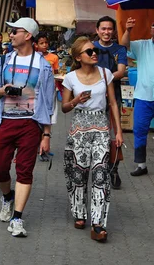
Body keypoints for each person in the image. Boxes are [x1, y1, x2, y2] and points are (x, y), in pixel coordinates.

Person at [0, 17, 54, 238]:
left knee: (24, 170)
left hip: (30, 123)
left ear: (27, 35)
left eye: (15, 31)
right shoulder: (5, 60)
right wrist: (3, 90)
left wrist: (46, 134)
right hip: (5, 120)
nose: (11, 34)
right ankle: (7, 196)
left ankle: (17, 217)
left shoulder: (43, 65)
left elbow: (48, 103)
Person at [61, 36, 123, 242]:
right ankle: (79, 213)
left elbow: (113, 103)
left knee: (100, 174)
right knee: (77, 174)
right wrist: (76, 100)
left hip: (101, 130)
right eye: (89, 51)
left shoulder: (106, 74)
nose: (94, 53)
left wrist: (119, 132)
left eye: (94, 50)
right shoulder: (70, 77)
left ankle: (98, 223)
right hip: (78, 129)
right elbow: (64, 107)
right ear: (79, 57)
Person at [93, 16, 127, 187]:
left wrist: (99, 80)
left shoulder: (119, 49)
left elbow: (121, 71)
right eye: (103, 29)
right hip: (94, 100)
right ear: (97, 30)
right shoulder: (90, 47)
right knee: (98, 134)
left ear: (113, 31)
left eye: (109, 29)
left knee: (115, 136)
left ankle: (114, 169)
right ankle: (100, 167)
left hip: (115, 98)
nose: (106, 32)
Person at [120, 17, 154, 176]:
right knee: (140, 129)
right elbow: (124, 44)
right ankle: (141, 165)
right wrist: (128, 30)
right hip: (144, 97)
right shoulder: (143, 45)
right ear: (151, 29)